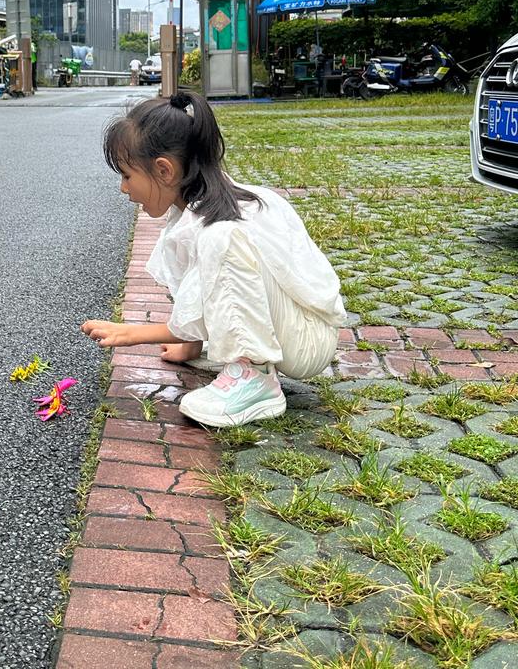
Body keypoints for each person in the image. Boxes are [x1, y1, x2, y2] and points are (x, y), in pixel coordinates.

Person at [81, 91, 344, 428]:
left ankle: (255, 377)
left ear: (164, 170)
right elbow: (202, 291)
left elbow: (229, 282)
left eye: (127, 176)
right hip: (291, 329)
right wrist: (190, 346)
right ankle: (248, 362)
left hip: (307, 339)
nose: (123, 188)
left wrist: (131, 333)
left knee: (222, 240)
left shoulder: (223, 225)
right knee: (214, 244)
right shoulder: (201, 210)